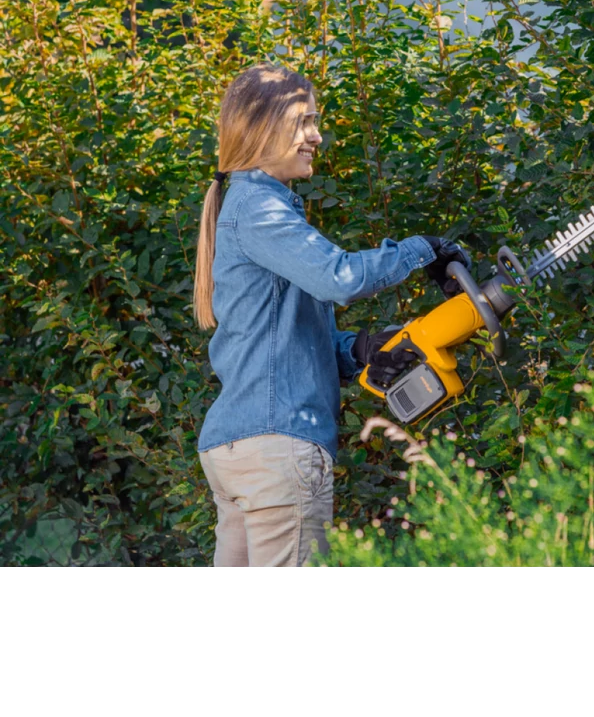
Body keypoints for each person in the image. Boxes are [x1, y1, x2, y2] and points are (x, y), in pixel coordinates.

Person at [192, 63, 470, 568]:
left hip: (238, 445)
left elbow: (278, 338)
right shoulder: (260, 208)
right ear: (261, 127)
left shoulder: (251, 206)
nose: (316, 136)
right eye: (304, 122)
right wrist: (424, 249)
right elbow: (339, 278)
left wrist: (360, 349)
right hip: (277, 446)